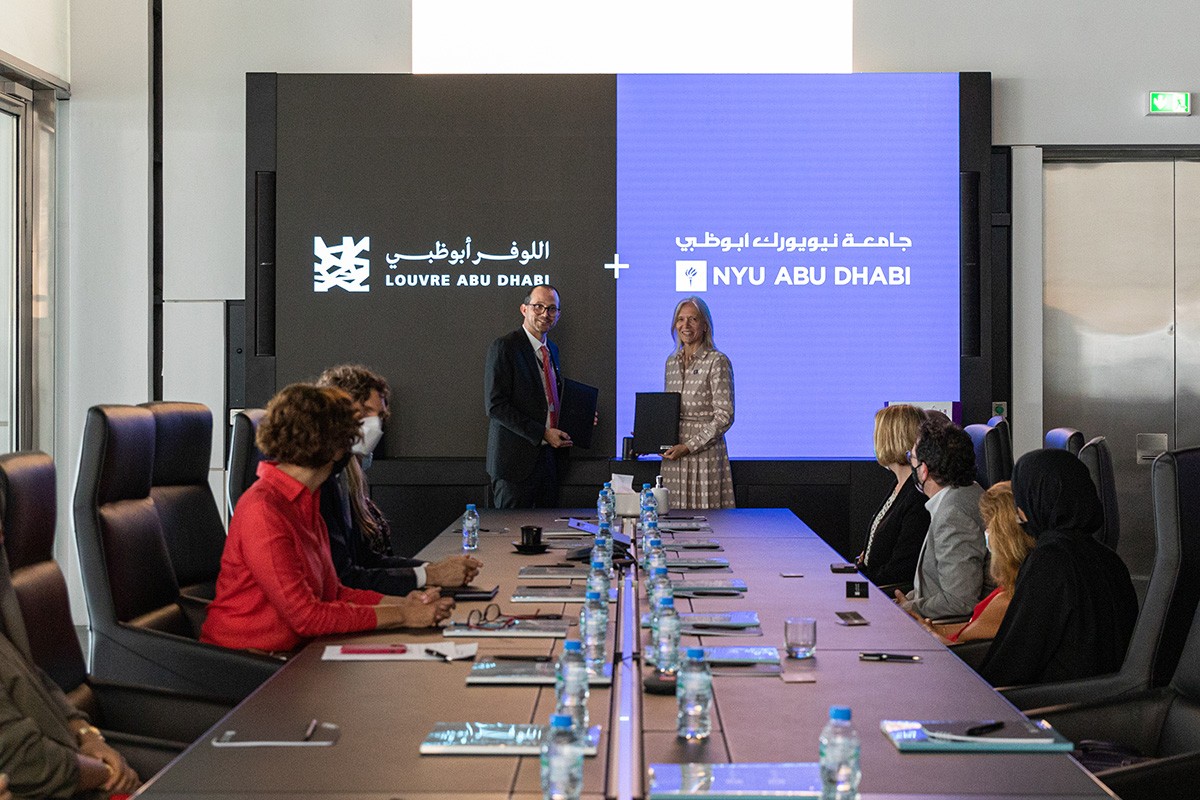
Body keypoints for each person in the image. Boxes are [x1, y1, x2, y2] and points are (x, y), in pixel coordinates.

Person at [201, 384, 455, 653]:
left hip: (298, 654)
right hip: (248, 662)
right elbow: (306, 617)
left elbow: (335, 593)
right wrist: (403, 616)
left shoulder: (306, 500)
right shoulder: (264, 509)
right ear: (335, 447)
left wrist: (406, 604)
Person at [978, 449, 1138, 687]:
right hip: (1101, 698)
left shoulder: (1048, 561)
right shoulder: (1110, 559)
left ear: (1036, 500)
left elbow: (1015, 660)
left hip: (1053, 700)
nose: (1019, 512)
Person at [317, 364, 483, 594]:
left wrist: (435, 569)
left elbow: (367, 560)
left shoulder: (344, 477)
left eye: (379, 416)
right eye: (365, 411)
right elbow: (345, 579)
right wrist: (431, 574)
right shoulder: (320, 482)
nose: (374, 423)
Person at [0, 553, 140, 797]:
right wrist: (107, 773)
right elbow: (23, 760)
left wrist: (86, 734)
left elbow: (36, 677)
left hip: (73, 767)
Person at [484, 284, 572, 508]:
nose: (545, 313)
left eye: (552, 309)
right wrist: (542, 433)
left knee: (548, 528)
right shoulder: (505, 347)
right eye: (538, 306)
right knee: (510, 531)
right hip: (513, 466)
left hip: (549, 463)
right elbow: (495, 406)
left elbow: (547, 401)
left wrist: (578, 416)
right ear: (524, 309)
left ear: (558, 315)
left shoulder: (552, 350)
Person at [895, 417, 989, 620]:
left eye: (912, 457)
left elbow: (959, 601)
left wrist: (907, 608)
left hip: (938, 628)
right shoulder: (970, 492)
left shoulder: (953, 515)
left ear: (924, 470)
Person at [923, 481, 1034, 644]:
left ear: (1004, 536)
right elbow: (969, 627)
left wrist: (927, 634)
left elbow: (961, 648)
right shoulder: (1014, 587)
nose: (986, 533)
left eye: (989, 526)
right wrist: (926, 627)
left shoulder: (1006, 600)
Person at [660, 296, 735, 509]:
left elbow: (724, 416)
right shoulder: (671, 362)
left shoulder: (717, 361)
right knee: (672, 517)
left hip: (704, 455)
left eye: (693, 319)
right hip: (674, 456)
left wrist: (689, 446)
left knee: (707, 520)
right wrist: (654, 434)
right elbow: (669, 410)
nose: (686, 325)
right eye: (680, 319)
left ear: (705, 325)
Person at [856, 404, 930, 587]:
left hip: (885, 592)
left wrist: (862, 582)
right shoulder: (899, 485)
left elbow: (901, 569)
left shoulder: (917, 496)